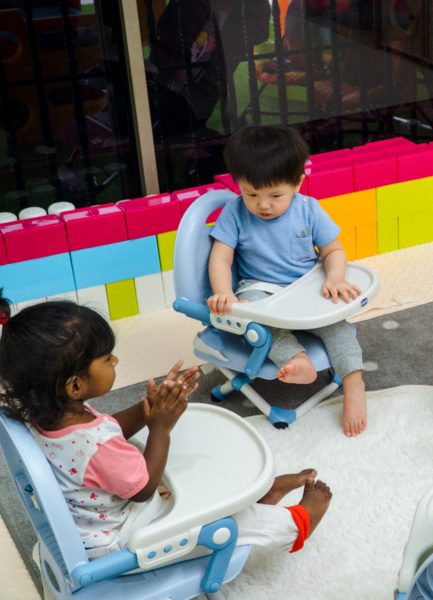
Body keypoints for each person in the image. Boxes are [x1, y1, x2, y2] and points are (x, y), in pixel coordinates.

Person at [0, 301, 332, 559]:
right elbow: (143, 488)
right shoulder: (96, 449)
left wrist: (151, 406)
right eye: (106, 359)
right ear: (74, 385)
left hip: (92, 523)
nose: (114, 361)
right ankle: (294, 525)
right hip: (120, 537)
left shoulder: (48, 416)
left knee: (192, 472)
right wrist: (161, 427)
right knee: (214, 517)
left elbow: (107, 428)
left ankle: (260, 497)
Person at [207, 125, 368, 437]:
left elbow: (333, 250)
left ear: (297, 182)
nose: (262, 205)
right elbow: (221, 257)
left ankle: (354, 383)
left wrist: (335, 277)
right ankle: (298, 362)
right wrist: (223, 292)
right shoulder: (235, 212)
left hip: (306, 286)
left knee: (338, 327)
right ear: (238, 184)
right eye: (251, 193)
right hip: (261, 288)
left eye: (275, 195)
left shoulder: (309, 209)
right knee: (257, 321)